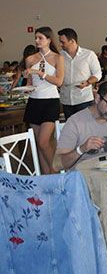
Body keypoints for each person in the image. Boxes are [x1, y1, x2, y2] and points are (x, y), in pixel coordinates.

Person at [56, 81, 107, 171]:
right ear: (97, 98)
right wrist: (81, 149)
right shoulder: (75, 122)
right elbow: (57, 165)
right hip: (83, 176)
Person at [23, 27, 65, 174]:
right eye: (36, 38)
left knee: (44, 141)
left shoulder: (58, 58)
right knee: (40, 144)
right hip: (34, 101)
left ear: (49, 40)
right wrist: (26, 88)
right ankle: (46, 177)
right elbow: (29, 83)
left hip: (50, 101)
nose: (37, 40)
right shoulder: (30, 59)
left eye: (40, 38)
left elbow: (59, 81)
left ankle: (56, 172)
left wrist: (40, 73)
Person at [58, 28, 101, 120]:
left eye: (63, 42)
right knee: (70, 125)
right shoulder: (59, 56)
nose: (60, 45)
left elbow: (98, 74)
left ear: (72, 41)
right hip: (66, 99)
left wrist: (88, 82)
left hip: (83, 98)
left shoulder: (89, 55)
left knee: (85, 125)